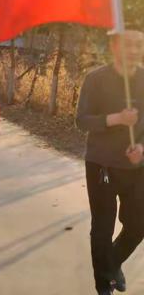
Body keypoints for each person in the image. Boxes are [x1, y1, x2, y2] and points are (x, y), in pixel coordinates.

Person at [76, 28, 144, 295]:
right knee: (102, 226)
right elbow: (81, 120)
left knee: (139, 223)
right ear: (114, 46)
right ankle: (103, 285)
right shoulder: (96, 79)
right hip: (101, 163)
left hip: (137, 165)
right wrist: (115, 119)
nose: (134, 50)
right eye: (128, 44)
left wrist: (142, 147)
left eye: (139, 45)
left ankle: (112, 263)